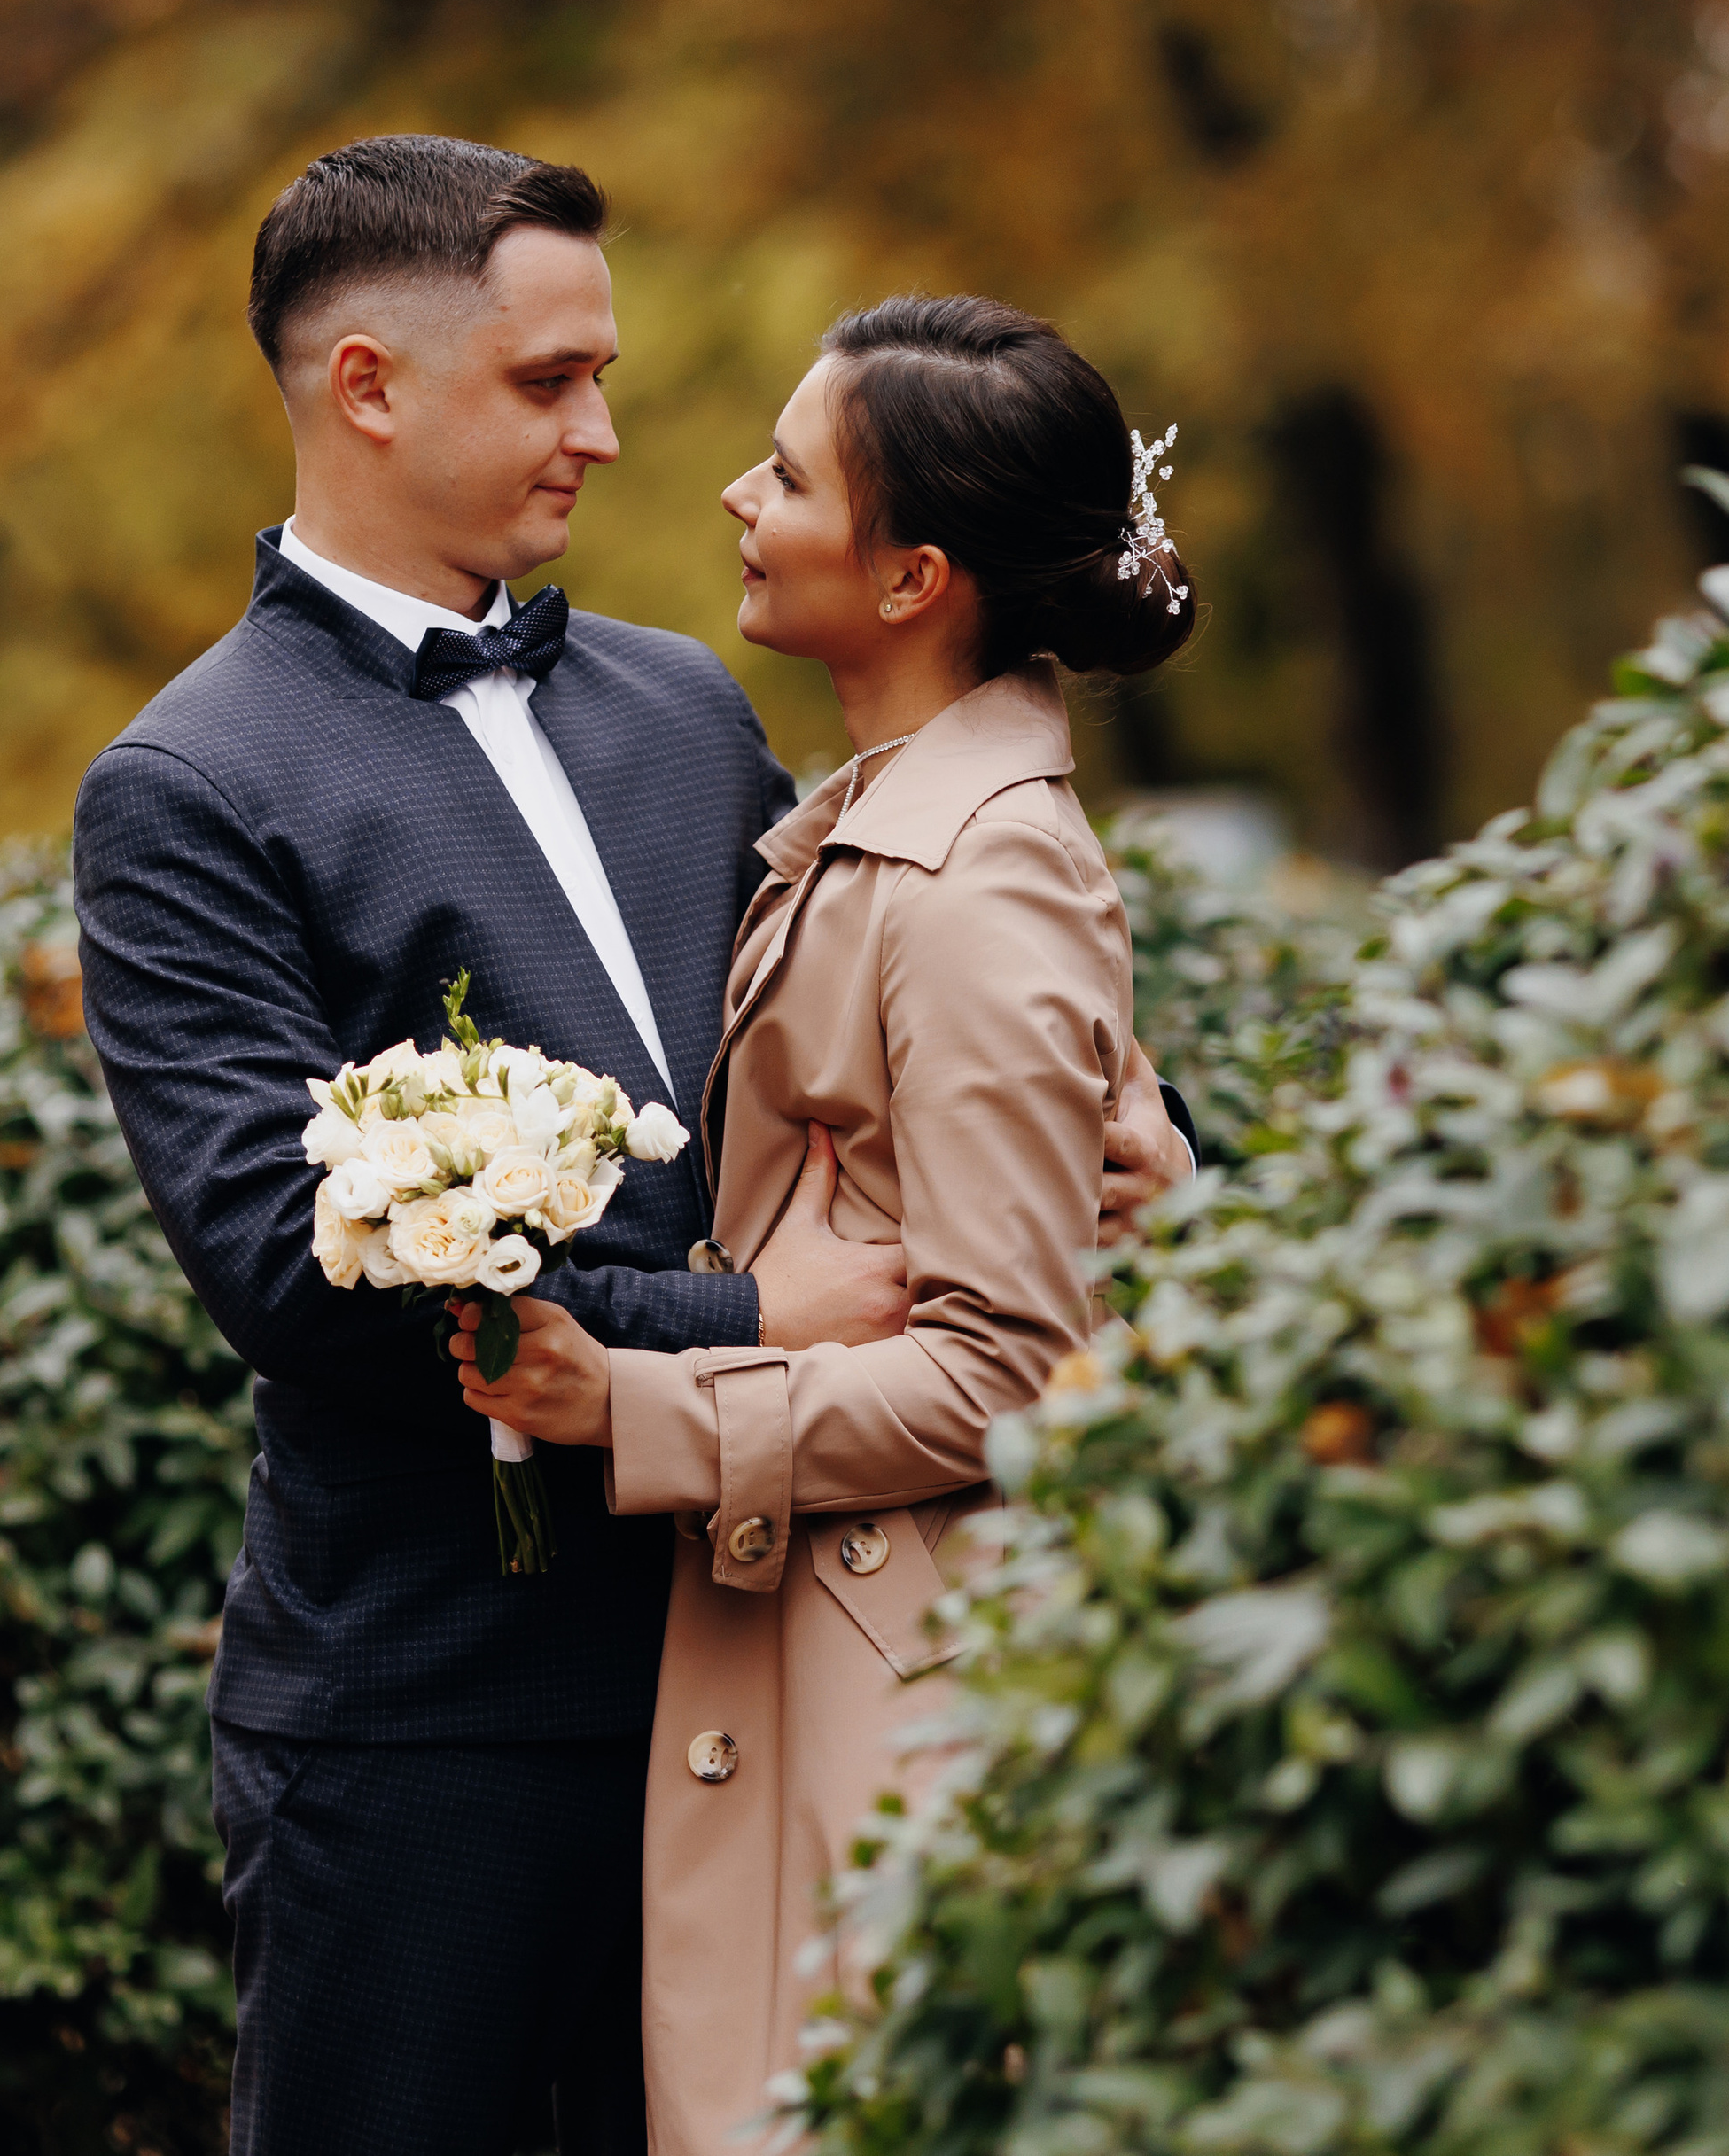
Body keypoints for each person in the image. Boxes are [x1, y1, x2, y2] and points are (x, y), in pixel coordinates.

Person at [70, 143, 1190, 2156]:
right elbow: (287, 1265)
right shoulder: (188, 783)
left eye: (603, 375)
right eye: (547, 380)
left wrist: (1145, 1143)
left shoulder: (686, 705)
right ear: (366, 384)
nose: (604, 431)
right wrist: (737, 1310)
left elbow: (875, 1047)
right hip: (436, 1714)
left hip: (779, 1651)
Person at [451, 294, 1198, 2152]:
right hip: (817, 1633)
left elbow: (1006, 1374)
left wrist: (638, 1405)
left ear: (910, 576)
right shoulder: (874, 824)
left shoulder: (970, 879)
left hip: (897, 1673)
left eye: (787, 476)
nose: (732, 493)